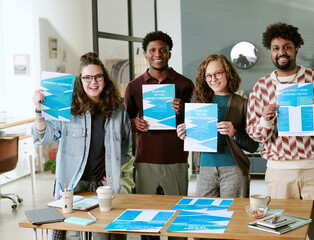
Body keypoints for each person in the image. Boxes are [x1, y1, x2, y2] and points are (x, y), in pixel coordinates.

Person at [246, 22, 314, 240]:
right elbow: (254, 133)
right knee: (284, 234)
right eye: (276, 48)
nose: (282, 52)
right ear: (270, 51)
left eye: (287, 47)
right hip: (279, 172)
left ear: (296, 48)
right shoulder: (261, 87)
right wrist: (266, 119)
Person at [32, 52, 131, 240]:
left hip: (104, 186)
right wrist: (39, 110)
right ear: (80, 81)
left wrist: (110, 169)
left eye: (98, 77)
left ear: (105, 79)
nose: (93, 82)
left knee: (102, 234)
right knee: (72, 235)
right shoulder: (67, 108)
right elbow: (43, 137)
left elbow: (126, 146)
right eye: (87, 77)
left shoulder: (118, 109)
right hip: (72, 187)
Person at [124, 31, 194, 200]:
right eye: (152, 50)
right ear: (146, 54)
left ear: (169, 53)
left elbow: (198, 122)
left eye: (163, 50)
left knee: (177, 209)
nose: (158, 54)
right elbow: (125, 122)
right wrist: (135, 123)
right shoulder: (134, 86)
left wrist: (184, 109)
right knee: (145, 209)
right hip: (145, 158)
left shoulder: (185, 84)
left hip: (176, 158)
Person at [176, 54, 258, 199]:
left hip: (234, 170)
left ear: (228, 73)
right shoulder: (197, 101)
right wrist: (184, 133)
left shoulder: (242, 104)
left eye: (218, 73)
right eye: (208, 76)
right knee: (204, 215)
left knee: (233, 215)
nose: (213, 79)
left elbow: (253, 146)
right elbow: (193, 137)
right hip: (204, 169)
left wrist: (234, 133)